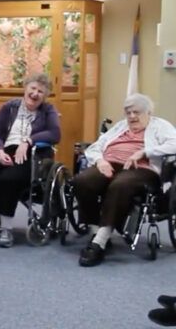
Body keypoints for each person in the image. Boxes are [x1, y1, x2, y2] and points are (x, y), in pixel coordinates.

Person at [74, 93, 176, 267]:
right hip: (109, 164)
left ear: (148, 112)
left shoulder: (160, 125)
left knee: (120, 185)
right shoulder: (120, 126)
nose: (131, 117)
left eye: (136, 112)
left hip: (142, 169)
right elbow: (96, 146)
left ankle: (99, 241)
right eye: (128, 113)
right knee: (82, 181)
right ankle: (95, 229)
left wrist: (145, 151)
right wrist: (100, 161)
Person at [0, 73, 60, 248]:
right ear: (25, 88)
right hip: (1, 149)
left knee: (9, 179)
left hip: (29, 153)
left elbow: (55, 133)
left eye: (41, 92)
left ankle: (6, 229)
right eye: (33, 88)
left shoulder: (47, 110)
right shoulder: (9, 107)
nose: (35, 94)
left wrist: (29, 140)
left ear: (45, 96)